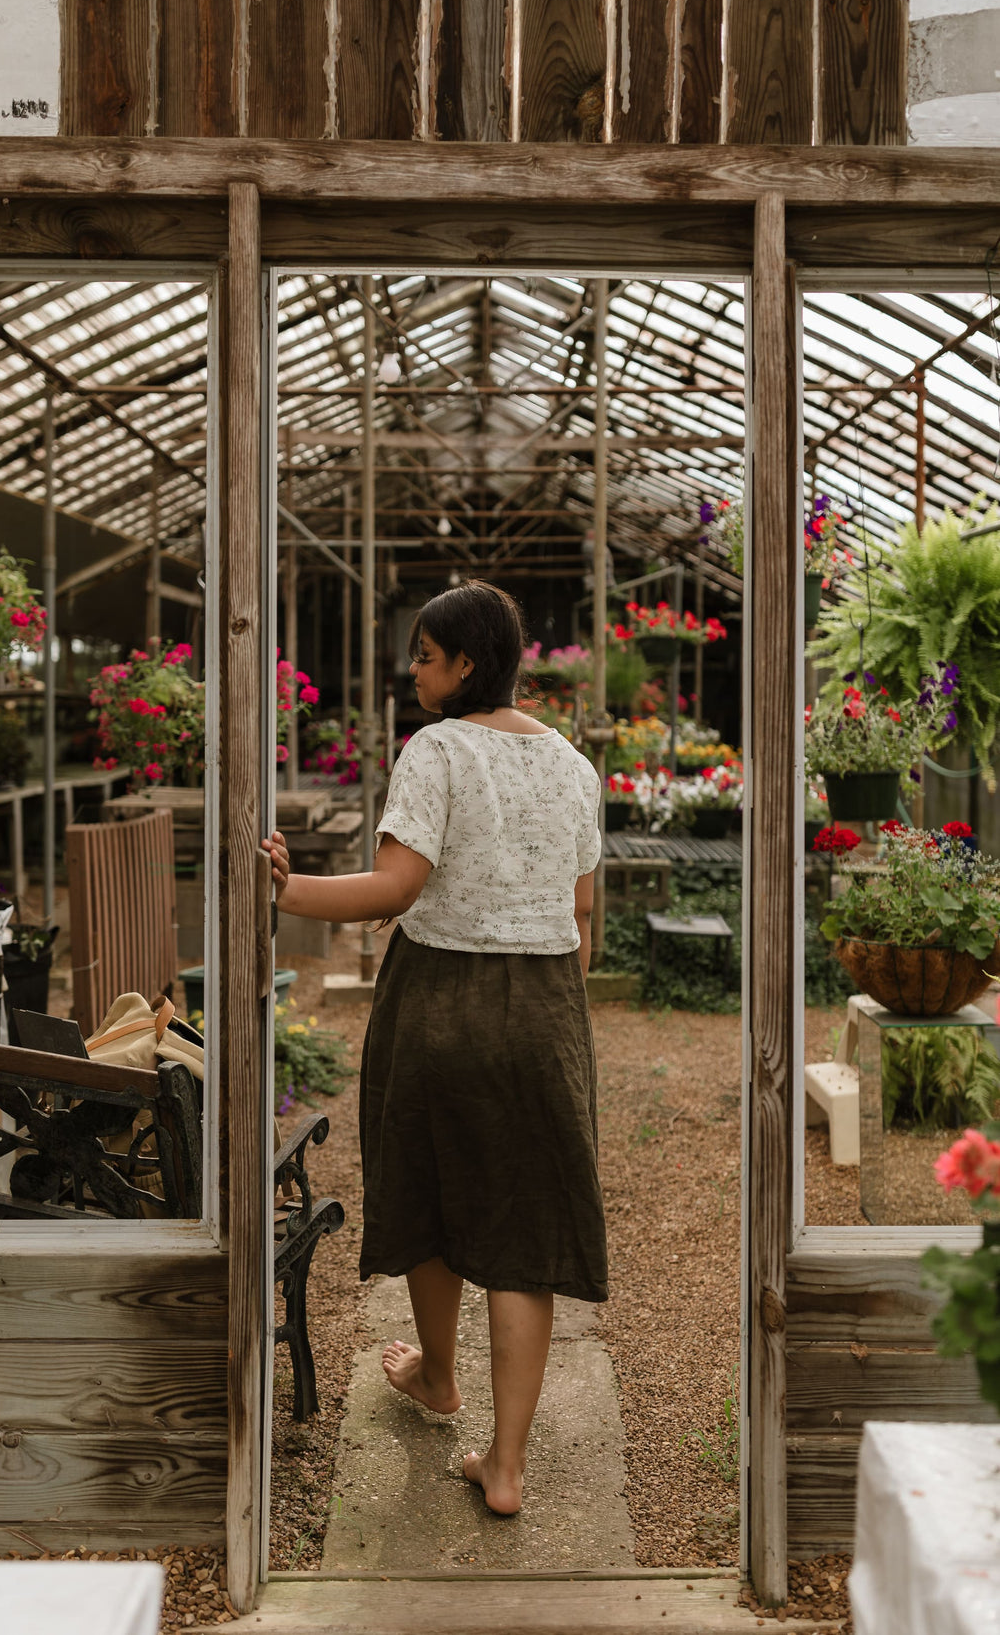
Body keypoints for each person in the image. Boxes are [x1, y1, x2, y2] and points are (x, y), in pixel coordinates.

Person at [264, 579, 607, 1517]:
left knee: (432, 1182)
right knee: (526, 1229)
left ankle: (438, 1377)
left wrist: (284, 894)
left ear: (465, 665)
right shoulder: (574, 765)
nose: (413, 669)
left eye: (424, 655)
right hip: (543, 1007)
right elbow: (584, 923)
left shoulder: (437, 750)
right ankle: (505, 1465)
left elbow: (394, 887)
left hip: (441, 1001)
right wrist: (542, 1011)